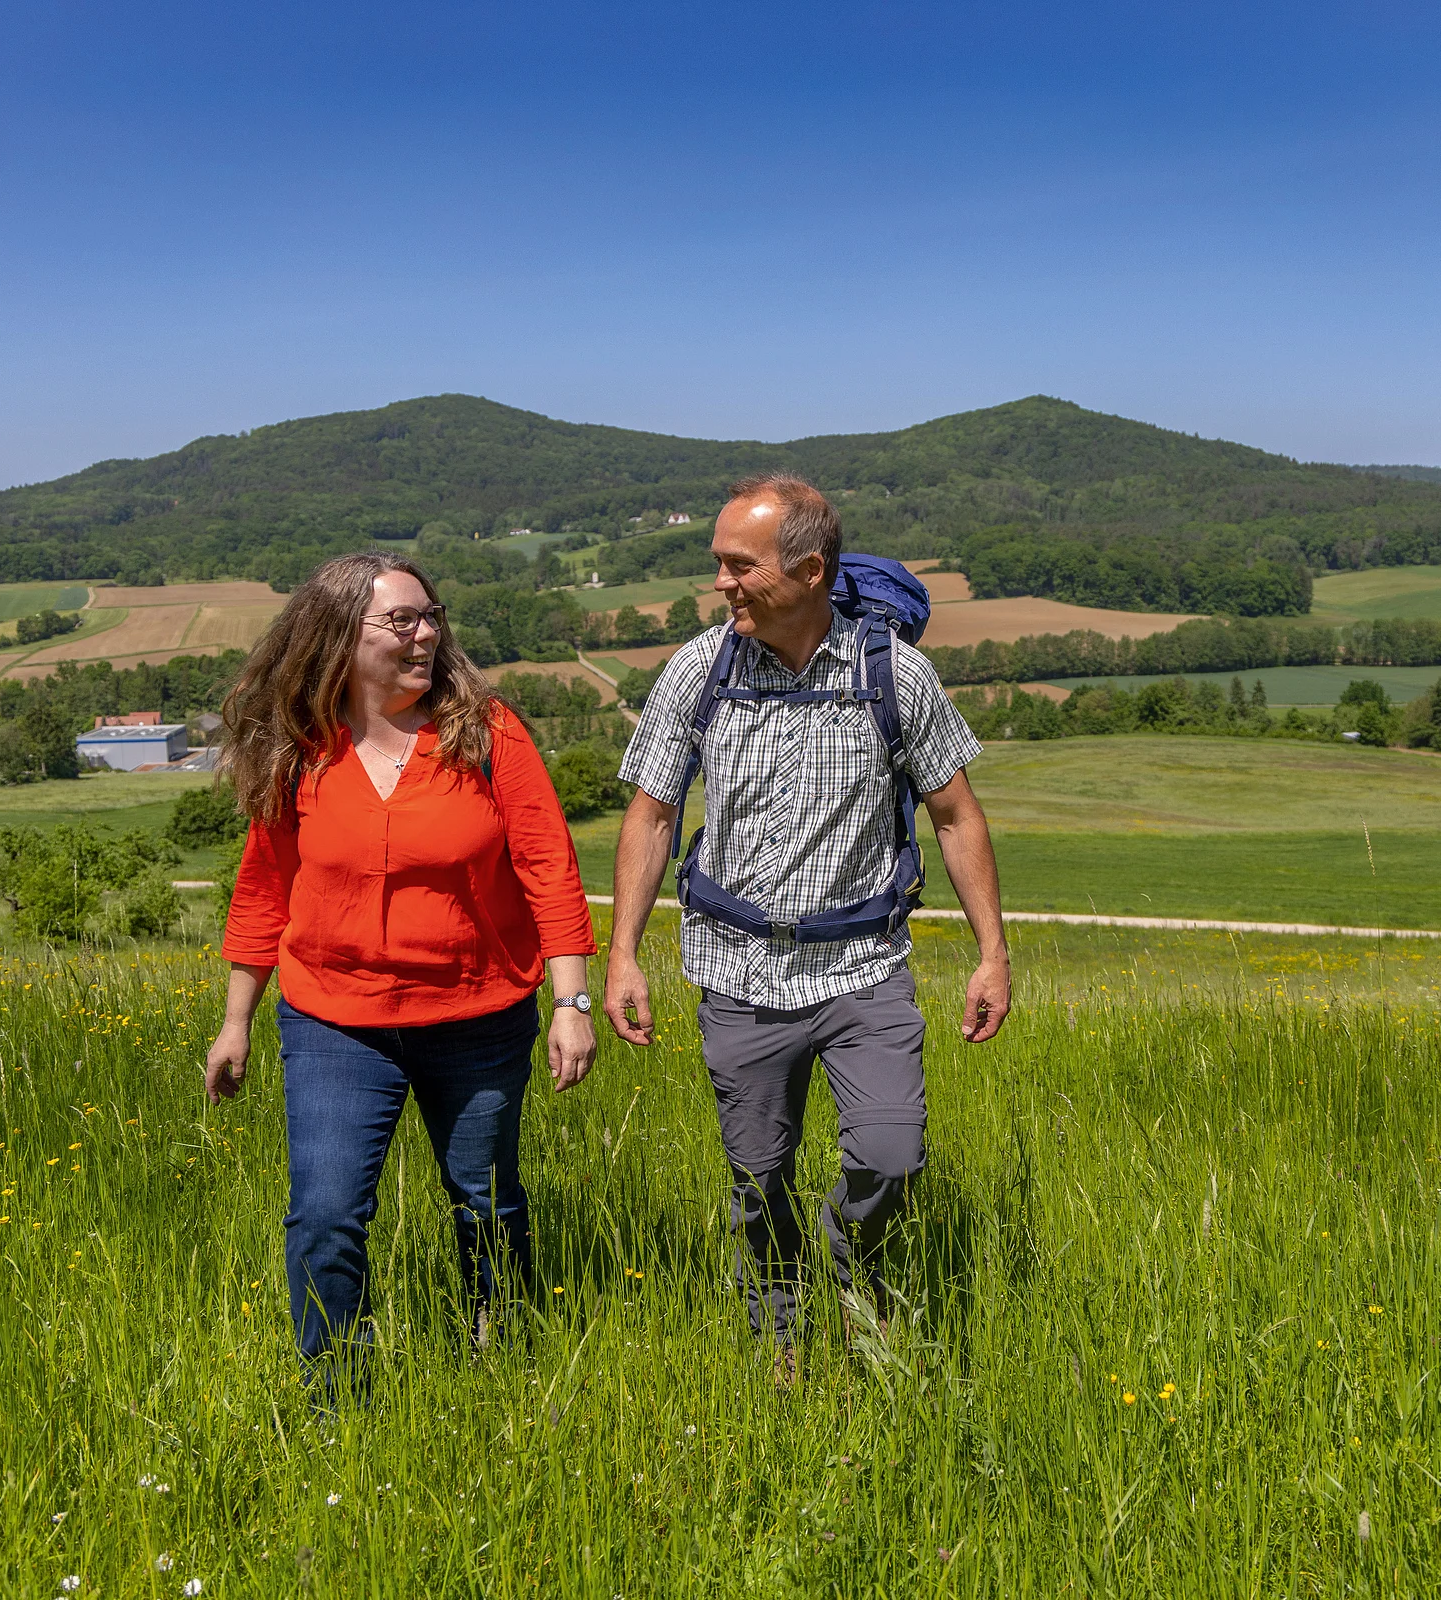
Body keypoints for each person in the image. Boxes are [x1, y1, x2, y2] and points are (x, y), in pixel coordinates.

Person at [605, 474, 1010, 1375]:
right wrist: (623, 953)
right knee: (757, 1177)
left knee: (891, 1156)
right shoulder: (698, 668)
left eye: (739, 565)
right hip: (738, 971)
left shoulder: (893, 675)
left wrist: (993, 952)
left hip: (863, 968)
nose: (722, 583)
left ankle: (845, 1264)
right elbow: (653, 814)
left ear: (811, 569)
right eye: (718, 563)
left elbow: (956, 815)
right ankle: (777, 1335)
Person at [206, 552, 597, 1382]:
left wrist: (572, 1001)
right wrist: (236, 1020)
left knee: (487, 1204)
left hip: (477, 1018)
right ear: (340, 637)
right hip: (333, 1023)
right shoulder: (302, 750)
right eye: (402, 621)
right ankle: (336, 1395)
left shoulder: (488, 734)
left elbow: (547, 865)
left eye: (431, 617)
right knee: (324, 1215)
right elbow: (264, 888)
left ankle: (507, 1361)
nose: (426, 635)